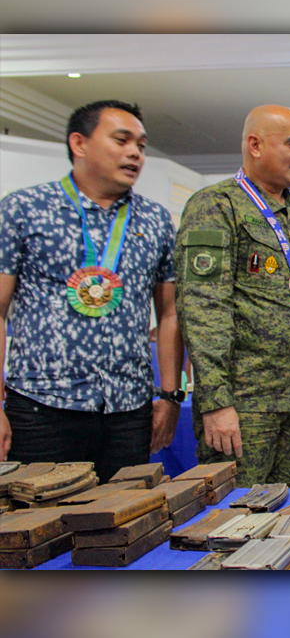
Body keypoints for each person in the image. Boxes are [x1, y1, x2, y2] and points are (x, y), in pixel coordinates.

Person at [0, 100, 183, 482]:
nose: (135, 152)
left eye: (141, 145)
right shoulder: (24, 209)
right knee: (39, 528)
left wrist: (169, 397)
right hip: (41, 405)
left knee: (124, 528)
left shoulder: (155, 220)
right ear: (79, 143)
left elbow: (169, 314)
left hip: (129, 410)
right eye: (122, 140)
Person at [175, 105, 290, 488]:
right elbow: (203, 309)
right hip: (245, 405)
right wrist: (217, 401)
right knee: (236, 522)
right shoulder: (215, 206)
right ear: (255, 145)